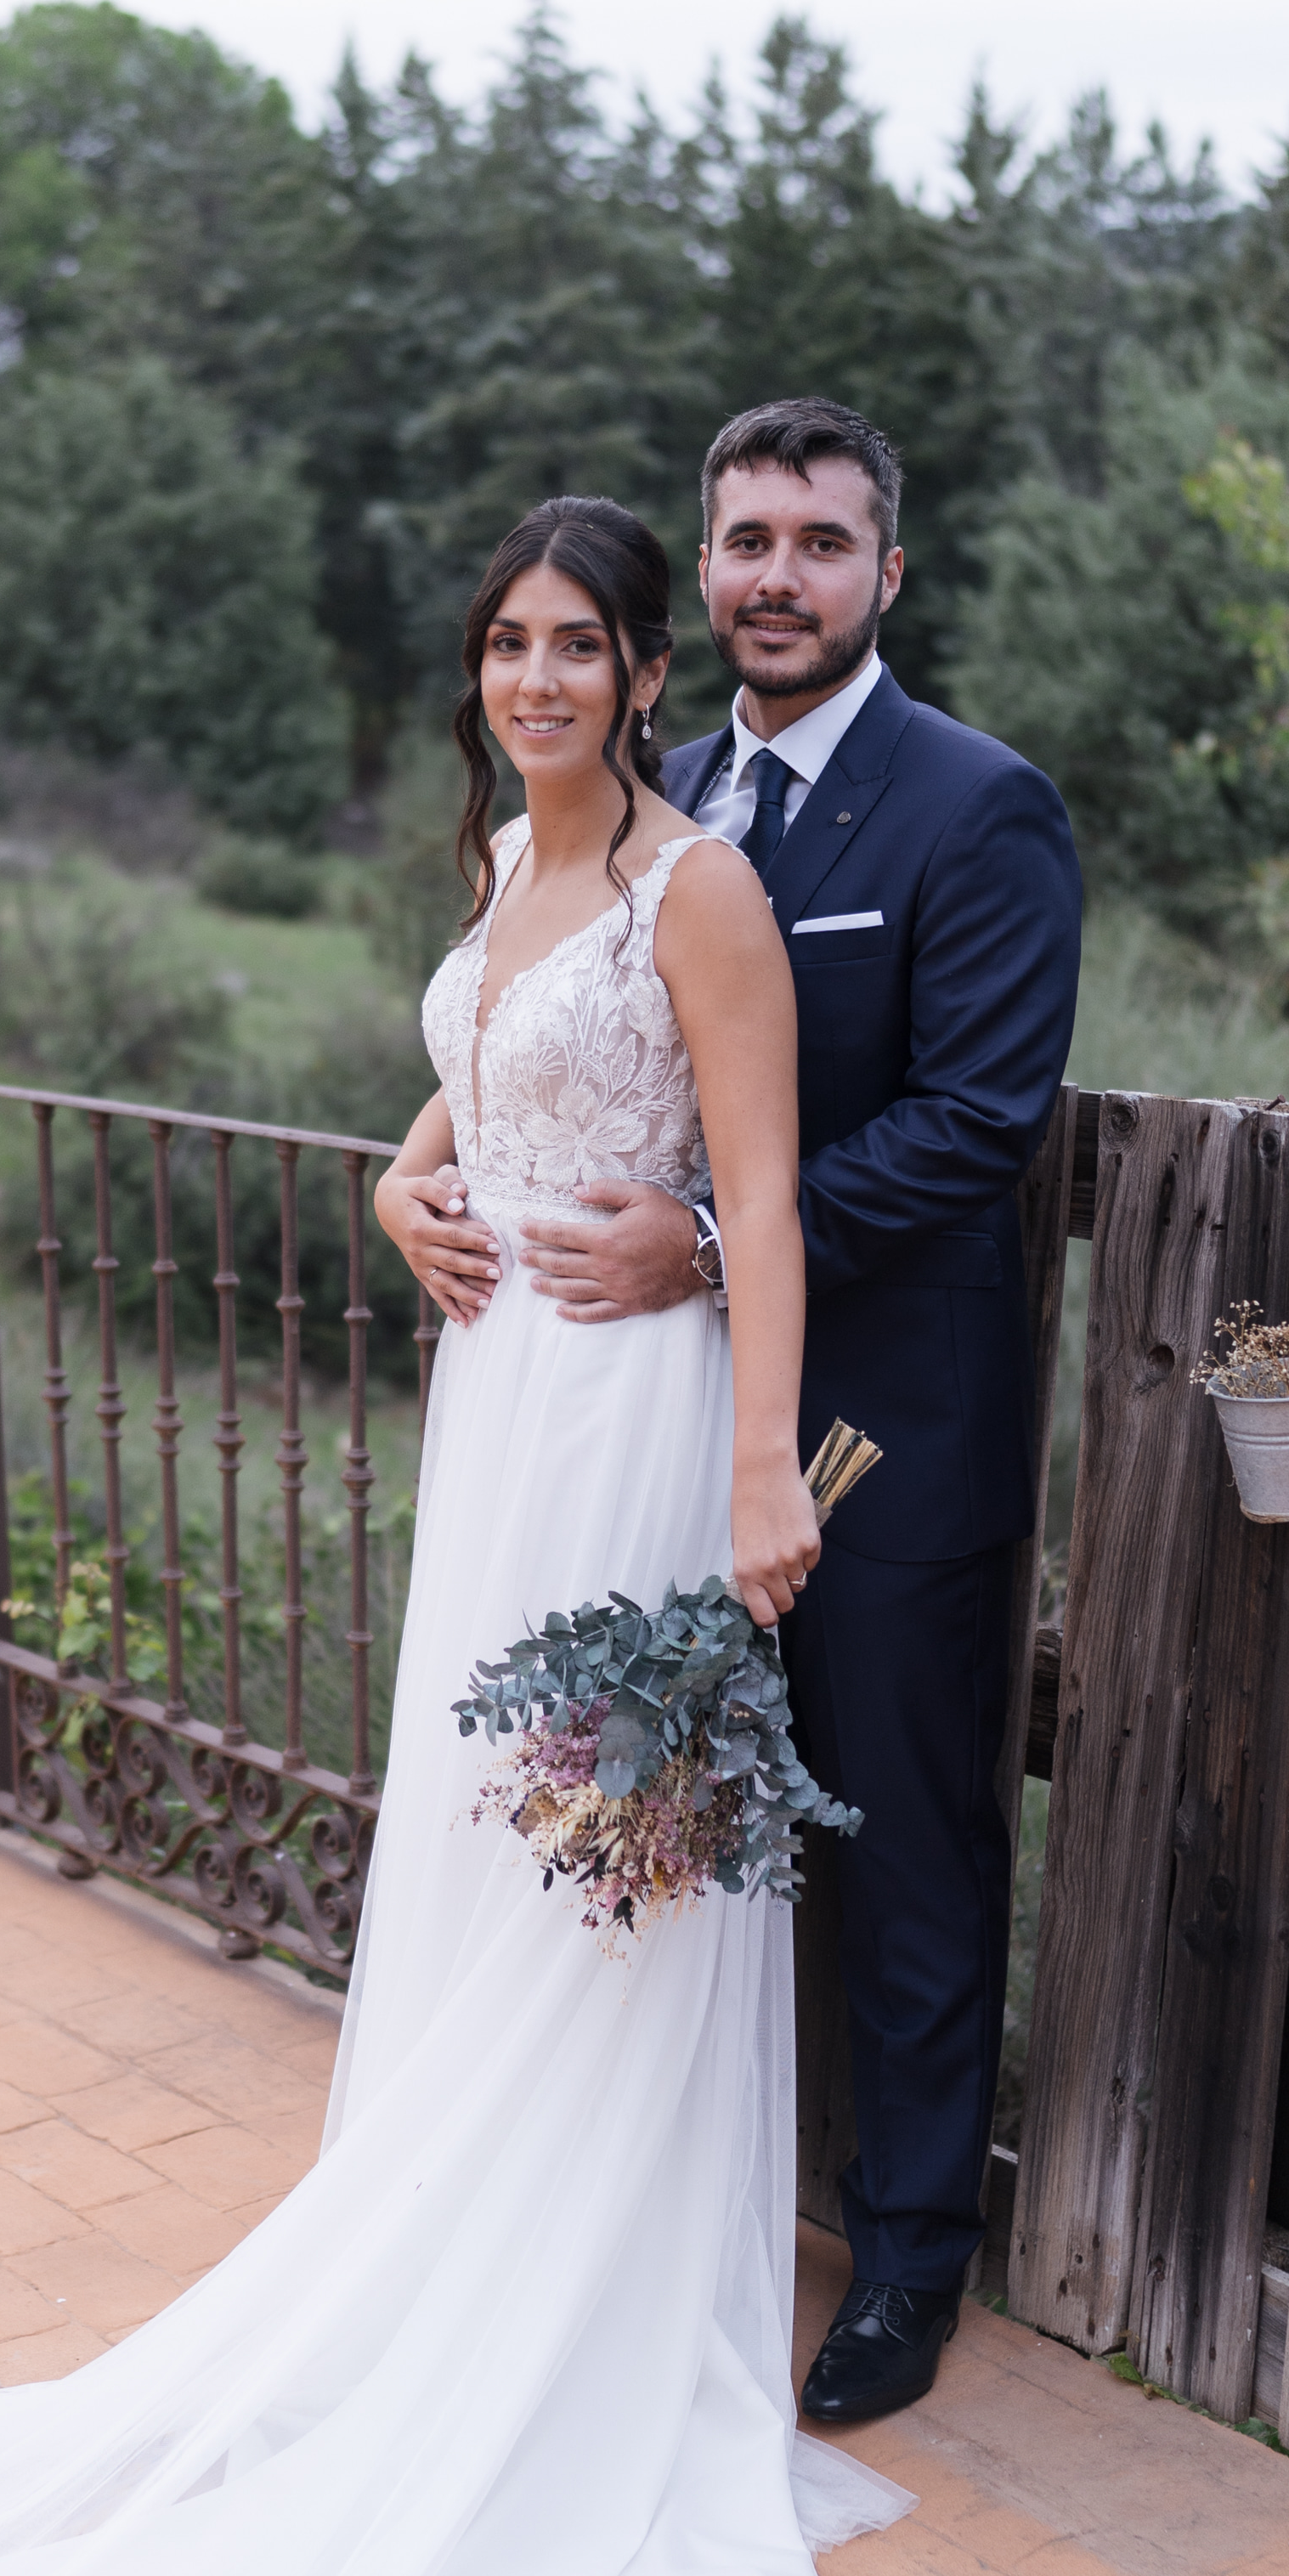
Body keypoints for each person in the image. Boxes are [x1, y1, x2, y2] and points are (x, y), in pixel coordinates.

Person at [0, 495, 910, 2576]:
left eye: (578, 644)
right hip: (500, 1421)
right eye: (507, 643)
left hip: (637, 1428)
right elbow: (468, 1103)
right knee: (478, 1855)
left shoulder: (697, 895)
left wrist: (766, 1468)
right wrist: (386, 1190)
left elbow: (759, 1203)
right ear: (480, 675)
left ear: (641, 673)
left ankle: (566, 2322)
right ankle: (439, 2276)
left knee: (599, 1877)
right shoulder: (507, 879)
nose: (537, 677)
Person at [421, 402, 1082, 2430]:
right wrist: (407, 1176)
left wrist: (702, 1241)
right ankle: (640, 2204)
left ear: (890, 568)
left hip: (883, 1428)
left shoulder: (978, 806)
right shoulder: (660, 786)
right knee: (624, 1809)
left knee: (898, 1836)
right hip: (630, 1428)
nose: (775, 576)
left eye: (818, 540)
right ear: (699, 577)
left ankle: (905, 2259)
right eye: (744, 541)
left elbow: (976, 1119)